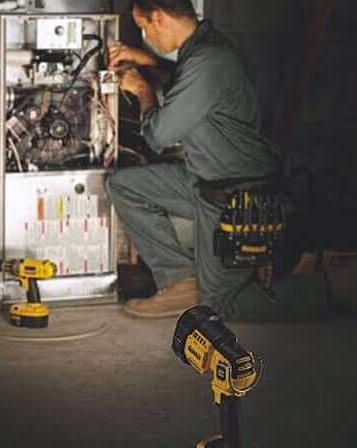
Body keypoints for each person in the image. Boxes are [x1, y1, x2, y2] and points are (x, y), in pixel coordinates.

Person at [107, 0, 328, 320]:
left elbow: (159, 135)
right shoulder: (205, 47)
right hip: (205, 181)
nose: (146, 37)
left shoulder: (207, 60)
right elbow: (187, 83)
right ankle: (181, 282)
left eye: (144, 28)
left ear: (159, 18)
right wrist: (150, 61)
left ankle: (334, 288)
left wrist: (142, 89)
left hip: (237, 196)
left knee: (222, 305)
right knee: (125, 185)